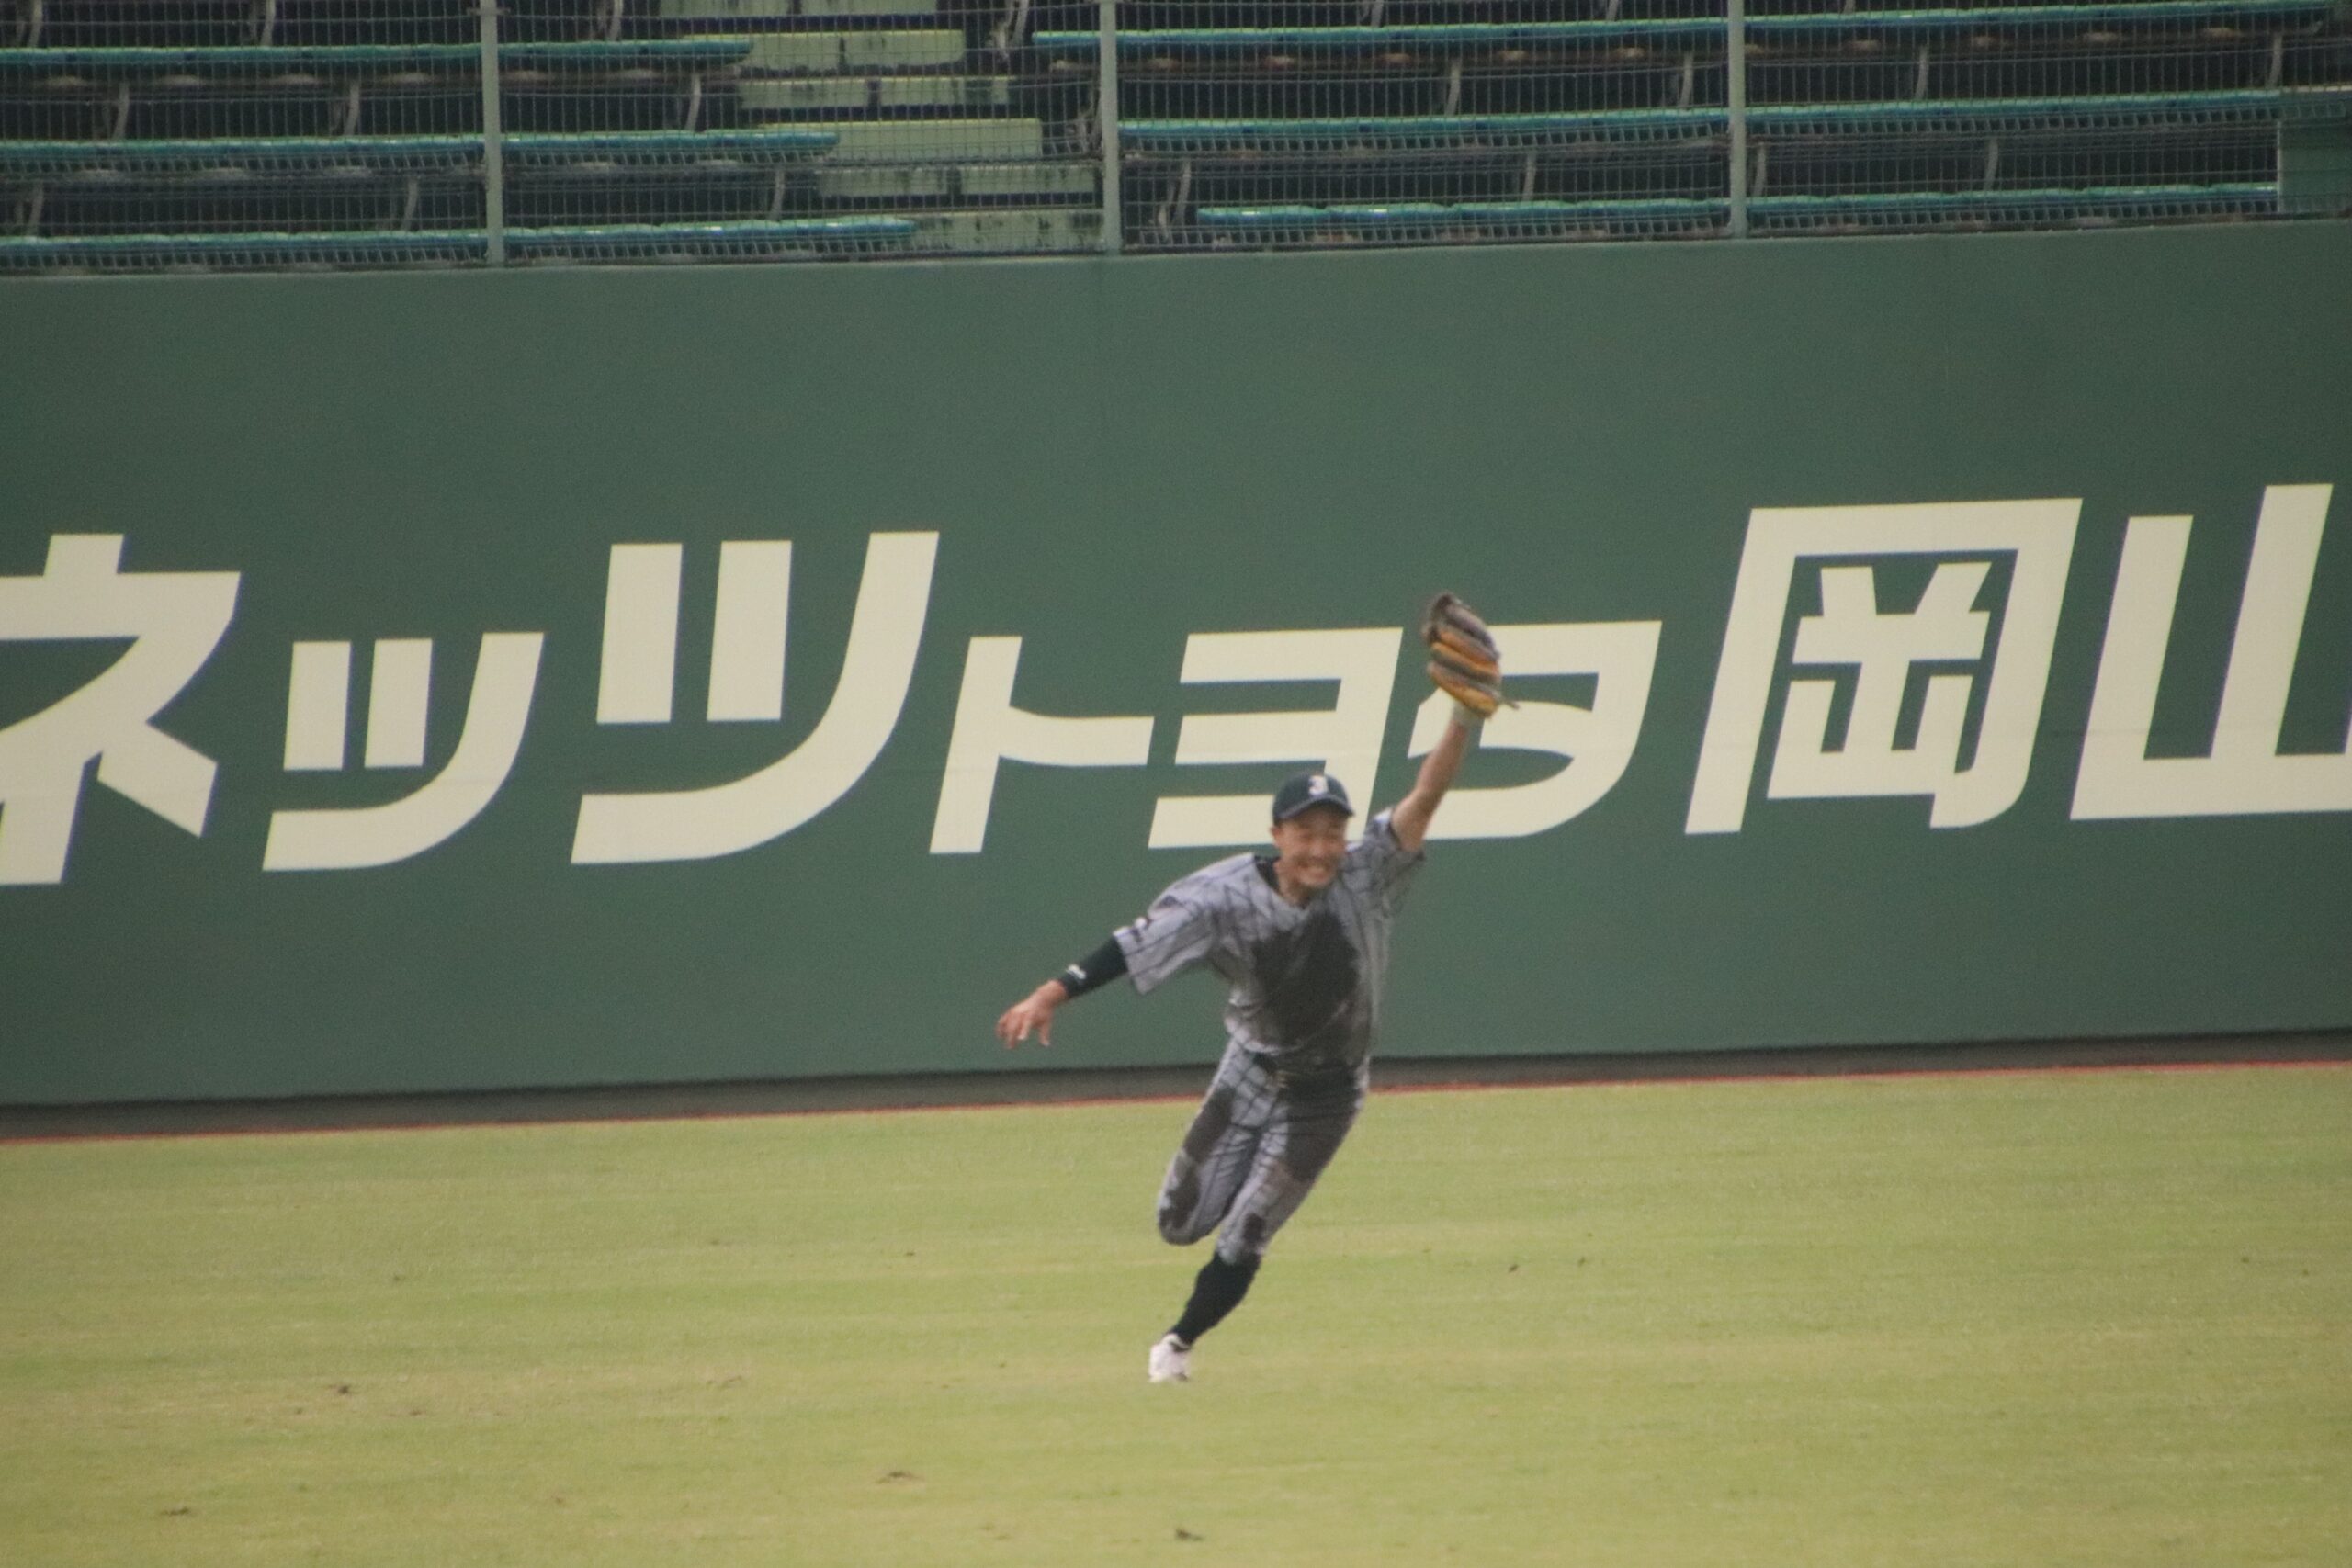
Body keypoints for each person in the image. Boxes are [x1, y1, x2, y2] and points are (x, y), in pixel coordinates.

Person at [994, 692, 1483, 1383]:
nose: (1322, 848)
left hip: (1328, 1095)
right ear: (1278, 834)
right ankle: (1191, 1290)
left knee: (1249, 1227)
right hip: (1249, 1073)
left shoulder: (1366, 872)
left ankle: (1177, 1344)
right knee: (1178, 1221)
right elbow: (1134, 943)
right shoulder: (1221, 896)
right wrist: (1052, 992)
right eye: (1306, 832)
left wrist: (1464, 717)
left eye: (1333, 832)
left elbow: (1427, 795)